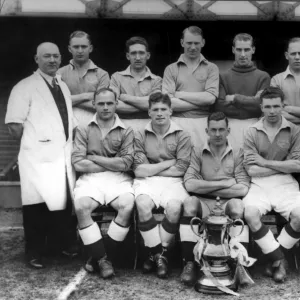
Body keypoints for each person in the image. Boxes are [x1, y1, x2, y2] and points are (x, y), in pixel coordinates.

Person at [5, 42, 75, 268]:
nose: (52, 60)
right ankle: (34, 252)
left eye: (56, 56)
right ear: (36, 59)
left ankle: (57, 248)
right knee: (36, 206)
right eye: (47, 56)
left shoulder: (62, 86)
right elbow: (14, 126)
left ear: (61, 58)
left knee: (60, 204)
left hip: (61, 156)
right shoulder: (24, 86)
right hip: (36, 157)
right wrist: (35, 144)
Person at [179, 111, 249, 286]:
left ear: (228, 130)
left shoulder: (238, 153)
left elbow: (242, 188)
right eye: (213, 130)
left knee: (238, 205)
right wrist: (225, 183)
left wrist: (205, 185)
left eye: (221, 129)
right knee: (189, 203)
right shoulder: (196, 151)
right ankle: (189, 262)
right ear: (206, 130)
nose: (217, 134)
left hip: (225, 203)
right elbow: (190, 185)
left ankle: (238, 262)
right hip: (203, 202)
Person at [72, 87, 135, 279]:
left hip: (119, 180)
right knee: (82, 207)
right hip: (91, 179)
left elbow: (126, 163)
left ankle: (98, 257)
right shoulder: (83, 128)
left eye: (109, 103)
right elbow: (78, 162)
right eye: (101, 103)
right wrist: (112, 164)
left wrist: (94, 158)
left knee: (127, 205)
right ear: (93, 105)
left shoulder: (127, 130)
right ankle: (104, 259)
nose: (106, 107)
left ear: (116, 104)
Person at [243, 86, 300, 283]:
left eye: (277, 106)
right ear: (261, 107)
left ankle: (274, 257)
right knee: (250, 213)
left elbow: (298, 165)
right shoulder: (251, 131)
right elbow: (251, 170)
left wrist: (265, 162)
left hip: (286, 183)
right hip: (258, 183)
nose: (273, 111)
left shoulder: (294, 130)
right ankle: (280, 259)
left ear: (283, 106)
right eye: (268, 106)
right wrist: (284, 165)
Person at [133, 92, 191, 278]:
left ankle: (156, 254)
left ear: (170, 111)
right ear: (149, 112)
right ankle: (160, 256)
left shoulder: (182, 135)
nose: (159, 113)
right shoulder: (139, 134)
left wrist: (152, 167)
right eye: (155, 109)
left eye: (163, 109)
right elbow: (139, 171)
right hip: (146, 181)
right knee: (142, 204)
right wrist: (168, 163)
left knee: (174, 208)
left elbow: (181, 169)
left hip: (173, 181)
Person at [162, 26, 219, 146]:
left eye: (196, 43)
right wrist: (200, 103)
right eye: (189, 43)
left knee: (202, 160)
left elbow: (210, 98)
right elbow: (169, 103)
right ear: (182, 42)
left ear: (203, 42)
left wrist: (179, 94)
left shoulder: (212, 68)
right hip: (177, 122)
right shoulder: (171, 69)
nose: (193, 47)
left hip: (203, 123)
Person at [215, 33, 270, 147]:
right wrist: (252, 101)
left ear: (253, 50)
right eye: (239, 50)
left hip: (256, 126)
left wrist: (235, 98)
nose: (243, 54)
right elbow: (219, 106)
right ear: (233, 50)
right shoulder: (223, 76)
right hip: (230, 127)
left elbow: (262, 105)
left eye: (247, 49)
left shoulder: (263, 77)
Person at [58, 30, 110, 125]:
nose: (80, 50)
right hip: (66, 124)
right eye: (76, 47)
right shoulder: (59, 73)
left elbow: (102, 104)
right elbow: (58, 102)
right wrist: (87, 96)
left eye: (84, 47)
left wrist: (70, 100)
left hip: (95, 125)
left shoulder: (102, 74)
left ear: (90, 48)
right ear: (70, 49)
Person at [110, 36, 162, 130]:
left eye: (141, 53)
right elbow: (113, 105)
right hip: (121, 126)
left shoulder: (157, 80)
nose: (137, 57)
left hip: (149, 127)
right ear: (127, 56)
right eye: (133, 53)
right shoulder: (116, 77)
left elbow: (156, 105)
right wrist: (145, 105)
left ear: (148, 55)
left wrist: (125, 97)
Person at [271, 37, 300, 125]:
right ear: (286, 55)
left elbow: (283, 110)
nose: (297, 57)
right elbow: (275, 111)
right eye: (293, 54)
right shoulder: (276, 80)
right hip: (285, 132)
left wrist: (289, 108)